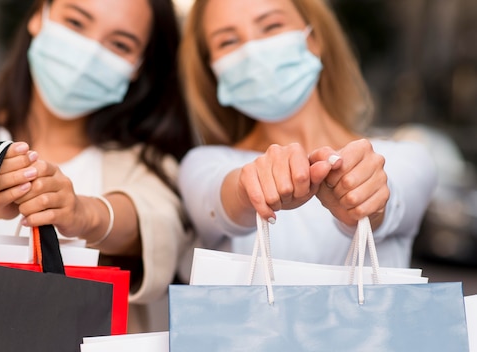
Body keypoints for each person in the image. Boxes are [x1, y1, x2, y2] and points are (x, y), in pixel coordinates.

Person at [0, 0, 193, 332]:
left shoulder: (149, 163)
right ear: (38, 17)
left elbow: (156, 219)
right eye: (76, 22)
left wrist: (85, 215)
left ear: (140, 65)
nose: (89, 52)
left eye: (120, 44)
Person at [177, 0, 436, 268]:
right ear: (212, 70)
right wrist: (247, 191)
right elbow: (216, 202)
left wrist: (365, 198)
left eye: (272, 25)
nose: (252, 51)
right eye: (227, 42)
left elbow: (393, 205)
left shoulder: (405, 157)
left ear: (314, 39)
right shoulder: (203, 163)